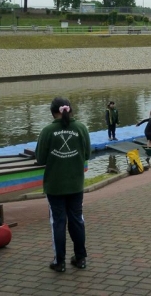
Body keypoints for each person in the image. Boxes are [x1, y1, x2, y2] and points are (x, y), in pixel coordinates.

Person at [35, 97, 91, 272]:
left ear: (53, 112)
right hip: (75, 184)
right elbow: (87, 154)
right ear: (70, 110)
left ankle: (59, 262)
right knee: (77, 220)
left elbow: (40, 158)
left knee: (58, 222)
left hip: (55, 186)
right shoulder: (81, 128)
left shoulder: (47, 131)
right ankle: (80, 258)